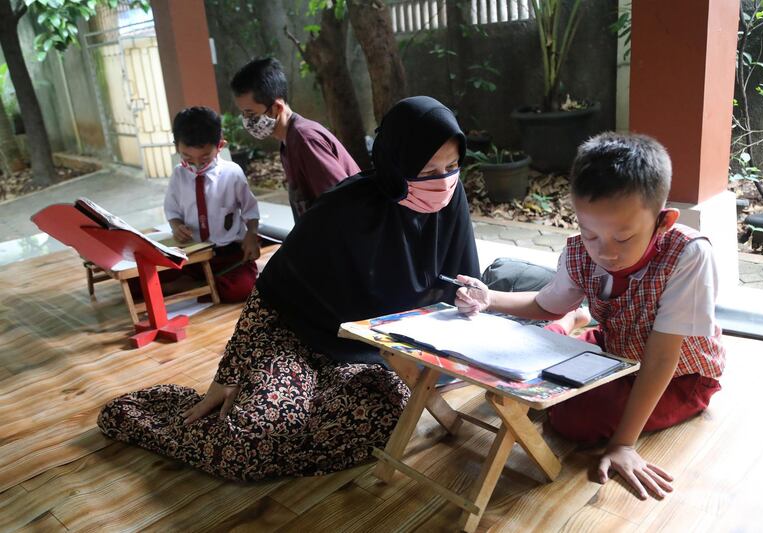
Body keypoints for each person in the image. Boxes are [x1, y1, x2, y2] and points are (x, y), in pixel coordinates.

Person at [97, 96, 480, 480]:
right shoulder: (343, 211)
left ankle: (288, 419)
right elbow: (271, 291)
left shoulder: (451, 199)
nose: (443, 182)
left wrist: (468, 296)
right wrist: (231, 372)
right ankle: (163, 413)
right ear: (397, 162)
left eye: (452, 167)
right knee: (242, 447)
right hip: (296, 339)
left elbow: (454, 283)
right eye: (427, 170)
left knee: (381, 421)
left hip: (369, 354)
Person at [455, 132, 725, 500]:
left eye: (624, 237)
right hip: (614, 348)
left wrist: (624, 444)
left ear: (663, 221)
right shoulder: (581, 252)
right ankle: (575, 323)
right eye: (589, 233)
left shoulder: (689, 255)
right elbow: (547, 303)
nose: (605, 252)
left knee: (571, 418)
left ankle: (575, 329)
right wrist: (489, 299)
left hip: (680, 374)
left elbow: (663, 355)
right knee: (529, 368)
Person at [230, 57, 361, 221]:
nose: (247, 121)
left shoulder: (305, 140)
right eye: (243, 114)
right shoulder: (288, 142)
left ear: (277, 108)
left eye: (250, 114)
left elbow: (344, 205)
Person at [162, 106, 261, 303]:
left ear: (220, 146)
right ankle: (204, 283)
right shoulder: (179, 174)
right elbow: (172, 210)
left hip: (228, 254)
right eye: (187, 157)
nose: (196, 165)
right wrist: (176, 227)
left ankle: (195, 285)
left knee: (243, 290)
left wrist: (251, 235)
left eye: (205, 158)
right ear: (176, 147)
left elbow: (251, 210)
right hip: (193, 254)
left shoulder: (232, 173)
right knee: (140, 283)